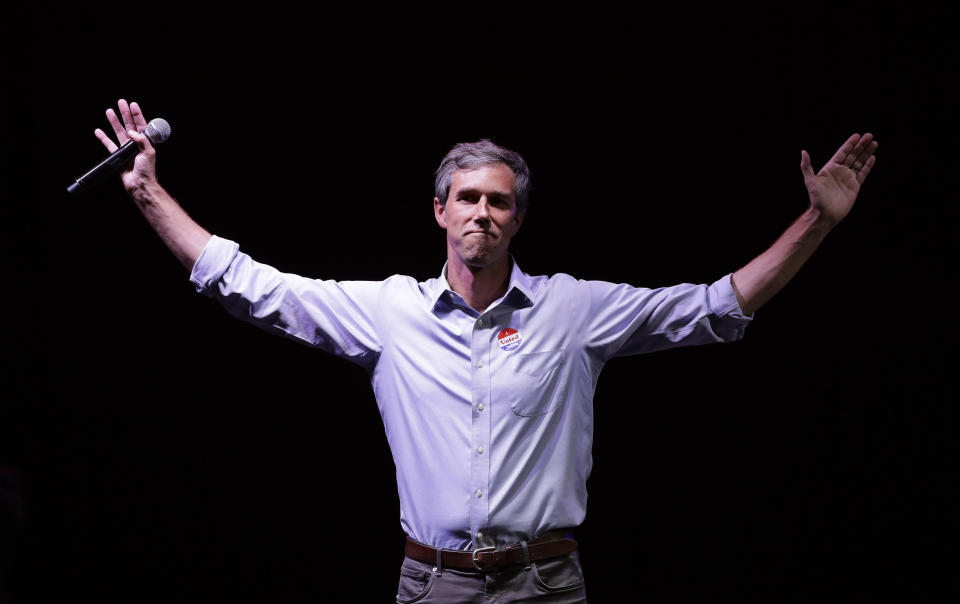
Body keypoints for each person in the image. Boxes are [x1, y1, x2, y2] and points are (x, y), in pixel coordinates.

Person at [93, 99, 877, 602]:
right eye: (467, 198)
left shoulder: (573, 310)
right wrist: (150, 195)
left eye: (499, 201)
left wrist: (820, 223)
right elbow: (254, 287)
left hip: (545, 583)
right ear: (440, 211)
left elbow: (713, 306)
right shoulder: (390, 313)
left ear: (518, 218)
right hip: (432, 583)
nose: (483, 214)